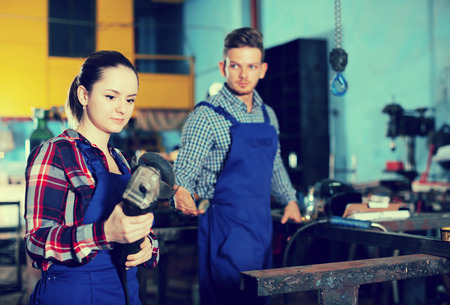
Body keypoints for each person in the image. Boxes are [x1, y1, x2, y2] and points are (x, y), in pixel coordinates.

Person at [173, 27, 302, 305]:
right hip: (225, 228)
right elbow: (184, 170)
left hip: (261, 225)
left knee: (259, 297)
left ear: (263, 69)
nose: (244, 75)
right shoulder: (205, 116)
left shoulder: (269, 115)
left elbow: (275, 165)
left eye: (251, 66)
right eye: (236, 66)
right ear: (223, 67)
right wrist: (180, 190)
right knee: (230, 296)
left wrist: (290, 201)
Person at [24, 50, 159, 305]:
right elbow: (36, 241)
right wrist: (104, 232)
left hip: (125, 294)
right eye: (111, 97)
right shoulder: (55, 153)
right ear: (83, 95)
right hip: (72, 296)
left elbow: (142, 230)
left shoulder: (122, 160)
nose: (122, 109)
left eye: (130, 100)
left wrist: (147, 248)